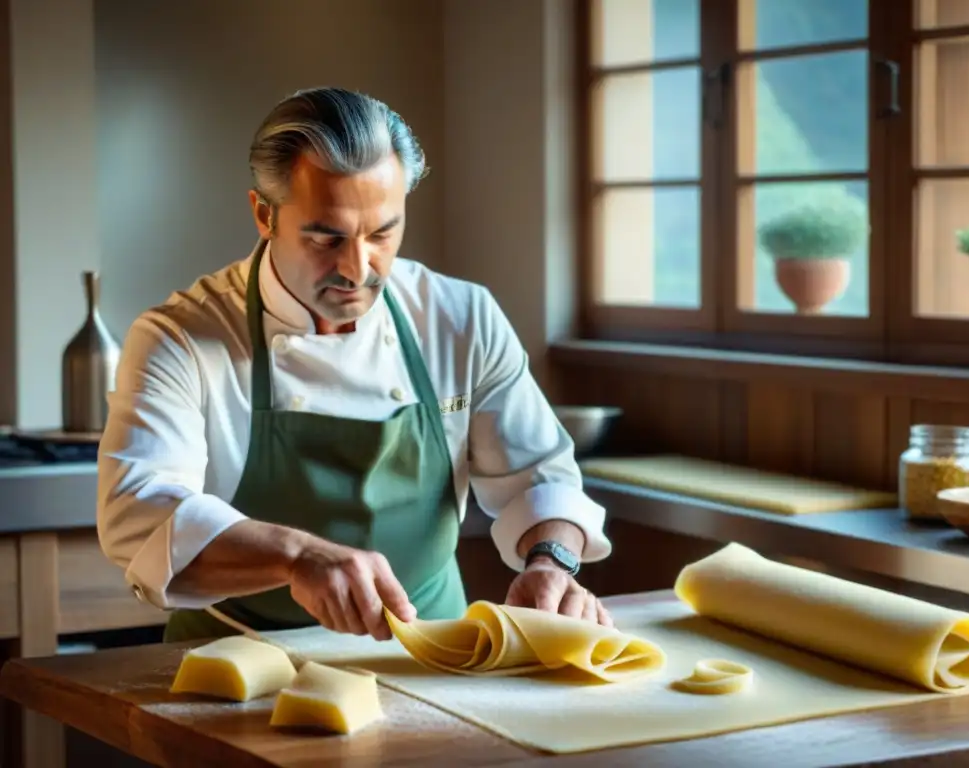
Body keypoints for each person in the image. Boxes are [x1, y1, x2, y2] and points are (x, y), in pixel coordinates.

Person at [96, 86, 613, 643]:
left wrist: (551, 562)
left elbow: (539, 474)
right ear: (264, 214)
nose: (358, 268)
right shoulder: (181, 339)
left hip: (431, 651)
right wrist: (297, 556)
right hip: (238, 660)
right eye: (327, 238)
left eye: (382, 232)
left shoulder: (461, 318)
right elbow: (140, 512)